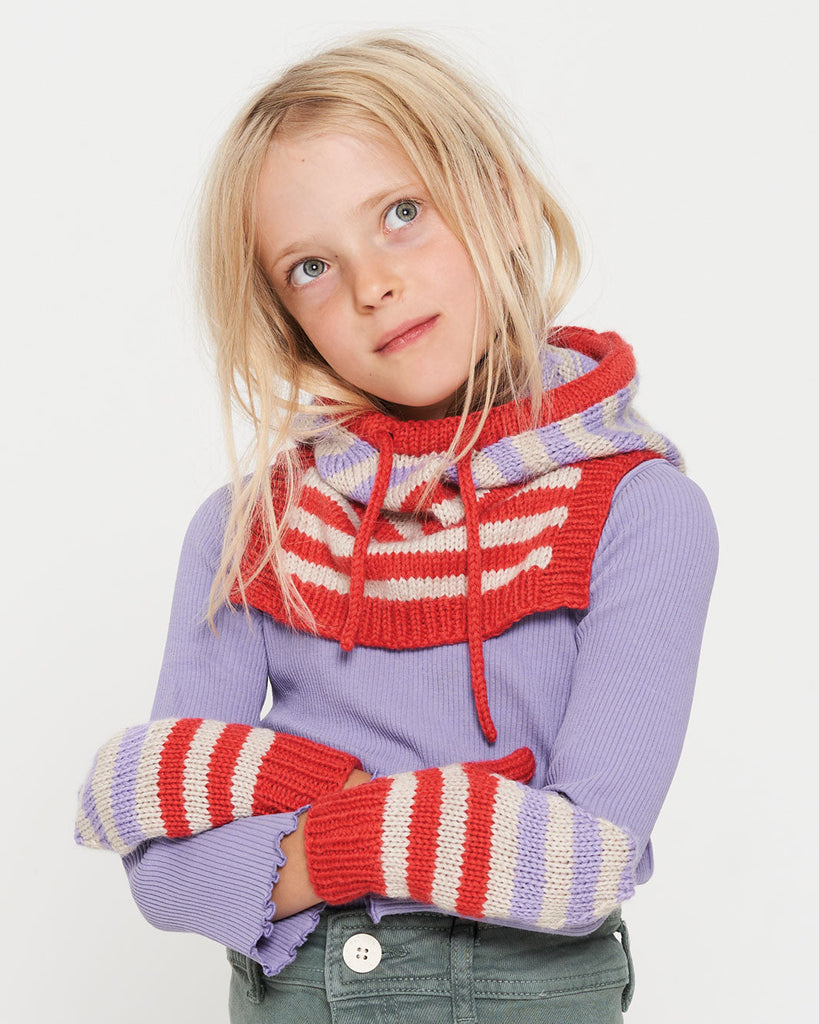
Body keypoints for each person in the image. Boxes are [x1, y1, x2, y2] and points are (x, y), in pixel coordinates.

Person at [75, 34, 718, 1023]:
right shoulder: (251, 529)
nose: (371, 283)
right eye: (311, 266)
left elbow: (581, 865)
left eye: (402, 214)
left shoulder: (638, 511)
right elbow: (168, 871)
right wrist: (406, 806)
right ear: (286, 317)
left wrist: (320, 822)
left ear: (503, 201)